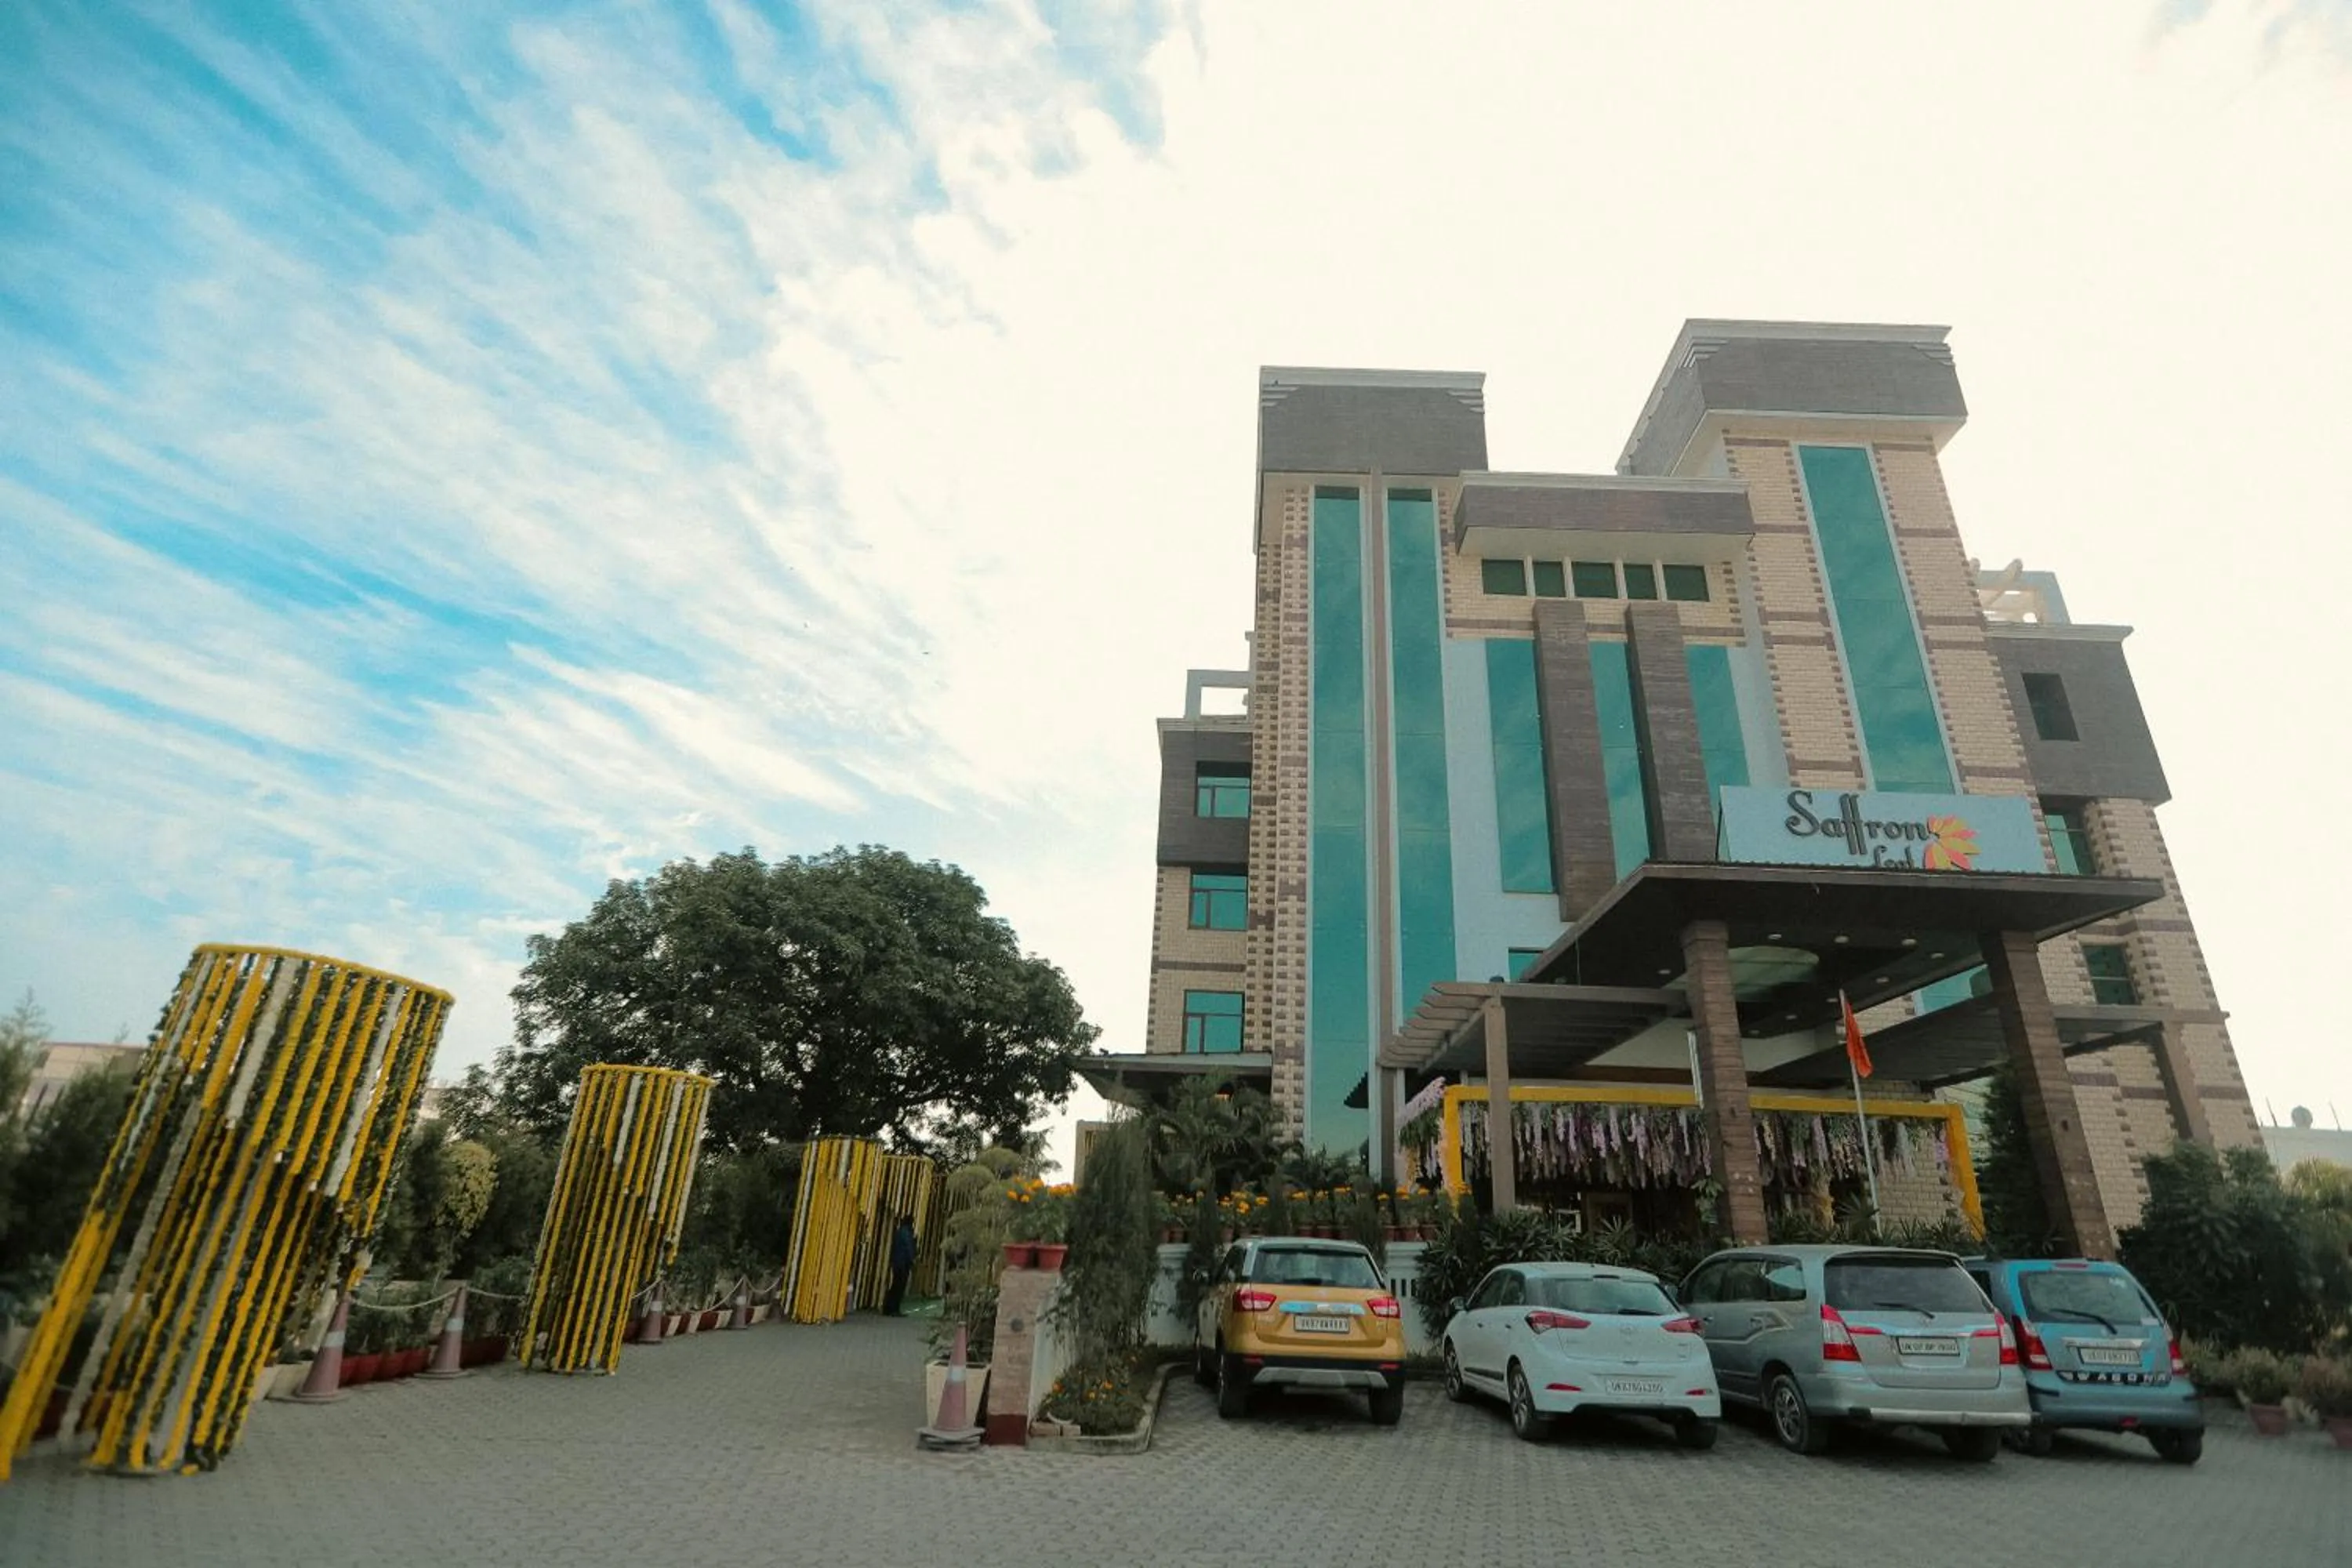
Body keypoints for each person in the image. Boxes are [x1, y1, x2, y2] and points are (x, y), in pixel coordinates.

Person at [884, 1215, 918, 1316]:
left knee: (895, 1285)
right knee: (900, 1287)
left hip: (896, 1262)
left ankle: (888, 1308)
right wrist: (913, 1259)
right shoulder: (907, 1233)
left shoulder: (899, 1232)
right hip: (903, 1263)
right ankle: (894, 1309)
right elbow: (909, 1248)